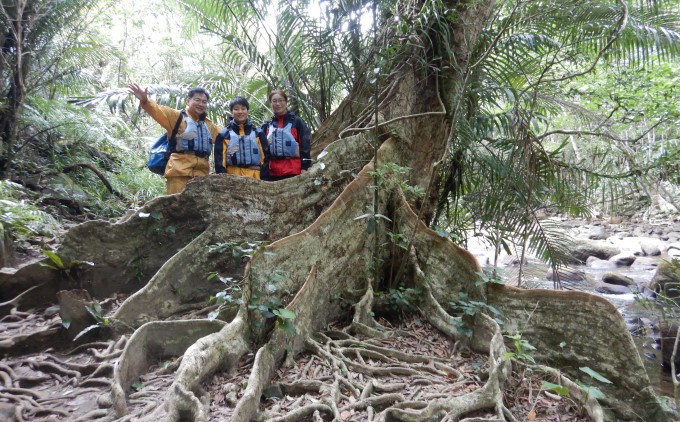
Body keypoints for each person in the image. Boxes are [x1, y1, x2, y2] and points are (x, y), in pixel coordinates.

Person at [129, 83, 220, 194]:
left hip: (201, 174)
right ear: (188, 101)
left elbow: (226, 138)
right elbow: (157, 110)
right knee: (177, 207)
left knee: (198, 209)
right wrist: (145, 100)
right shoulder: (176, 117)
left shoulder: (208, 124)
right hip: (179, 172)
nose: (201, 104)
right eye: (197, 100)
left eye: (204, 102)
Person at [261, 89, 311, 181]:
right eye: (274, 101)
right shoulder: (267, 126)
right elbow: (263, 152)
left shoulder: (297, 122)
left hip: (294, 170)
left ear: (286, 102)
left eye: (280, 100)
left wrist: (305, 167)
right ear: (271, 104)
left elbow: (305, 146)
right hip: (272, 172)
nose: (277, 104)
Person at [214, 96, 268, 180]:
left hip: (255, 177)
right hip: (232, 177)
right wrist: (224, 180)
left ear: (247, 111)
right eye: (236, 109)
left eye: (243, 109)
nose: (240, 112)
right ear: (231, 112)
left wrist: (264, 178)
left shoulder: (258, 133)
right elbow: (220, 162)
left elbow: (265, 159)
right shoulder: (224, 134)